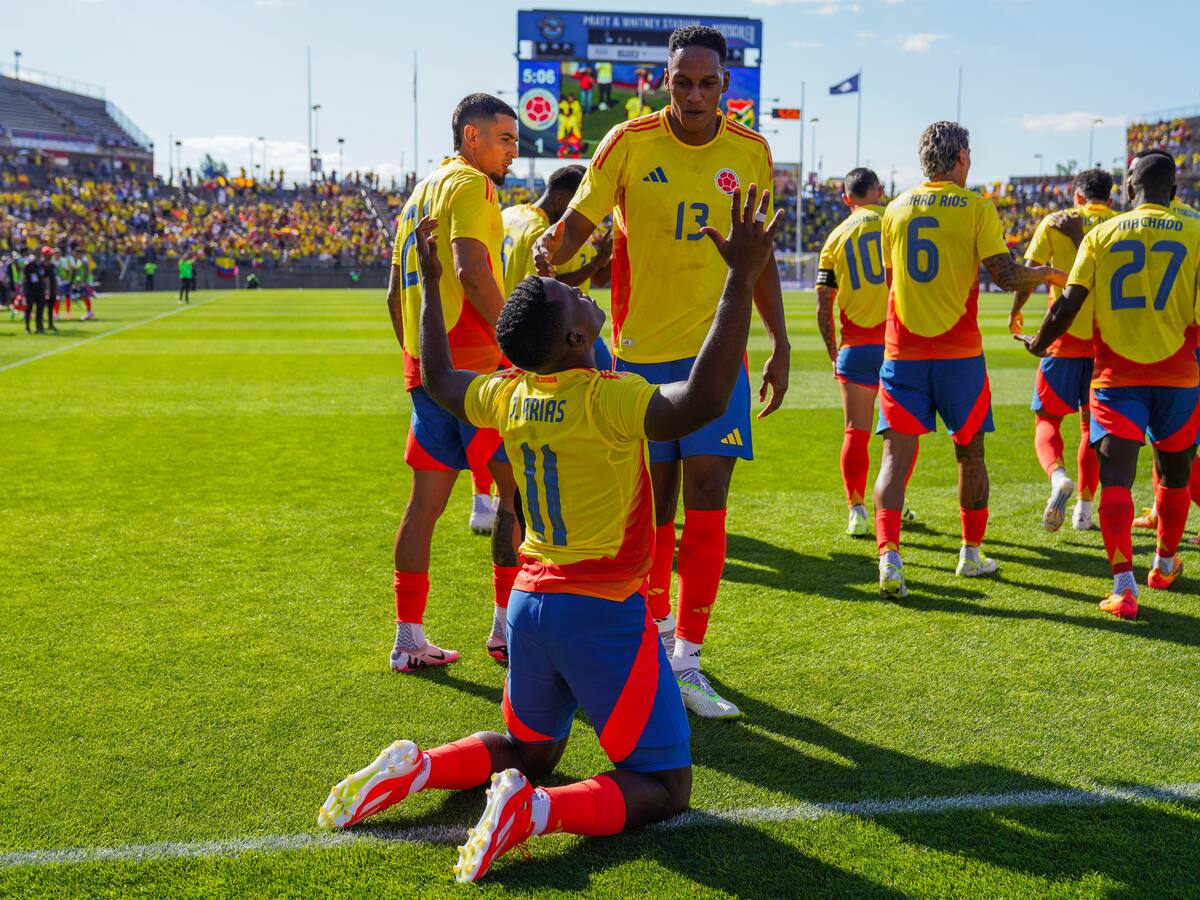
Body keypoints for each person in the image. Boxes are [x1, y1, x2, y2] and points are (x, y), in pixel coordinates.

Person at [319, 184, 782, 883]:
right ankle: (535, 814)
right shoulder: (609, 399)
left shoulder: (509, 392)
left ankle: (419, 768)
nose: (575, 288)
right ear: (575, 337)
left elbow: (441, 376)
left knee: (527, 747)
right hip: (600, 612)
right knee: (664, 784)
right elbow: (708, 398)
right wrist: (740, 281)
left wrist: (431, 287)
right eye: (570, 295)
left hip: (532, 604)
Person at [533, 25, 789, 719]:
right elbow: (580, 223)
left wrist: (780, 341)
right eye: (683, 82)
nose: (696, 95)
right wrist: (547, 256)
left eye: (707, 83)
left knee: (710, 493)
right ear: (665, 81)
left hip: (719, 353)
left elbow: (755, 256)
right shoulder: (628, 141)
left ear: (725, 85)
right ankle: (656, 634)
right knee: (655, 509)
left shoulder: (753, 153)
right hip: (640, 356)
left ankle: (689, 660)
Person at [874, 122, 1065, 597]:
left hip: (903, 350)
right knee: (971, 453)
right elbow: (1004, 276)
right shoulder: (977, 206)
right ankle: (971, 554)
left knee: (895, 458)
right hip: (959, 353)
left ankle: (889, 557)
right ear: (960, 158)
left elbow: (891, 278)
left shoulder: (894, 209)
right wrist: (1047, 274)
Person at [1018, 150, 1199, 619]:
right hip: (1179, 374)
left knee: (1116, 480)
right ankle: (1162, 564)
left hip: (1116, 377)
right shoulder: (1197, 231)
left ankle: (1124, 587)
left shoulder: (1101, 235)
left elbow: (1068, 305)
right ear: (1174, 193)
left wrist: (1039, 343)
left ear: (1128, 191)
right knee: (1174, 475)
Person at [386, 93, 521, 671]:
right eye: (506, 139)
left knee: (423, 508)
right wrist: (517, 343)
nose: (514, 151)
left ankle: (408, 638)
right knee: (517, 495)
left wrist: (415, 359)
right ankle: (507, 633)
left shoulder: (419, 194)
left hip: (429, 371)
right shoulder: (473, 186)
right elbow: (471, 270)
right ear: (472, 137)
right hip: (479, 373)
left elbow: (395, 294)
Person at [1008, 169, 1115, 532]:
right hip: (1106, 343)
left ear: (1076, 196)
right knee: (1091, 426)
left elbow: (1029, 271)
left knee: (1048, 420)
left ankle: (1058, 477)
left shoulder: (1054, 222)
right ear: (1111, 198)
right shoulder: (1120, 223)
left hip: (1063, 338)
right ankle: (1084, 510)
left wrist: (1016, 310)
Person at [816, 167, 916, 536]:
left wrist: (832, 353)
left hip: (855, 347)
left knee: (855, 432)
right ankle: (895, 498)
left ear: (846, 199)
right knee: (904, 433)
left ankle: (857, 510)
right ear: (878, 190)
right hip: (898, 345)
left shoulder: (834, 237)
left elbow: (823, 304)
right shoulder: (895, 219)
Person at [23, 247, 58, 334]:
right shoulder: (29, 264)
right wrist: (23, 290)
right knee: (29, 309)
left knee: (40, 309)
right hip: (30, 290)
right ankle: (27, 327)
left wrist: (47, 290)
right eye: (37, 254)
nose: (38, 256)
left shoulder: (42, 266)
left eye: (39, 254)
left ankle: (38, 327)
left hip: (40, 290)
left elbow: (46, 278)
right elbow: (24, 278)